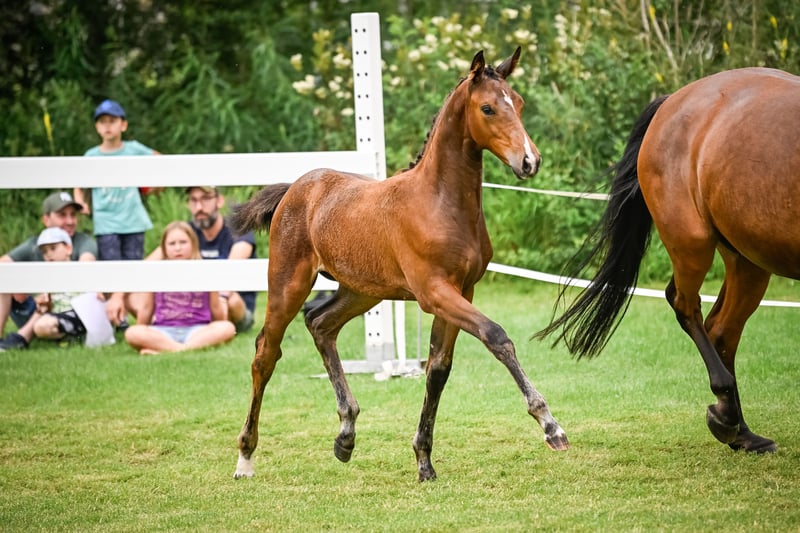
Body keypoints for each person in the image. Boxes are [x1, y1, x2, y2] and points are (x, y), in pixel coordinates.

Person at [75, 99, 160, 327]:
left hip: (133, 219)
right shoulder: (91, 156)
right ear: (97, 127)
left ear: (123, 124)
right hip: (106, 221)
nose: (107, 126)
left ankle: (134, 315)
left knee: (133, 270)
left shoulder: (133, 149)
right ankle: (116, 319)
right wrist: (80, 202)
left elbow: (159, 160)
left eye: (112, 121)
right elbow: (78, 183)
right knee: (111, 272)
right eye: (102, 122)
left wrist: (152, 186)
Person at [147, 186, 257, 332]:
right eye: (193, 200)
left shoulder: (237, 229)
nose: (199, 207)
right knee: (135, 297)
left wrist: (221, 297)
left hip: (231, 303)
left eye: (205, 199)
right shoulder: (186, 232)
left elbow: (233, 266)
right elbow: (147, 266)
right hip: (194, 305)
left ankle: (210, 327)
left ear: (219, 201)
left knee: (232, 300)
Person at [0, 191, 98, 351]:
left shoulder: (83, 242)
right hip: (39, 304)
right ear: (46, 219)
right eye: (62, 215)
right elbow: (3, 264)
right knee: (3, 278)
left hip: (68, 305)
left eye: (73, 215)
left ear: (68, 248)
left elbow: (85, 269)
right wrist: (18, 283)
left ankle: (23, 337)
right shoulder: (34, 243)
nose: (70, 221)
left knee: (50, 306)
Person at [124, 221, 236, 355]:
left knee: (228, 328)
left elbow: (217, 311)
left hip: (198, 330)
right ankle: (183, 348)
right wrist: (141, 334)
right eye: (172, 244)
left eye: (183, 242)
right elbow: (146, 310)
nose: (178, 248)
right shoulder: (155, 273)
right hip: (163, 331)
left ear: (193, 244)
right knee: (132, 333)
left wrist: (220, 328)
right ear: (164, 248)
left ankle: (171, 349)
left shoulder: (205, 271)